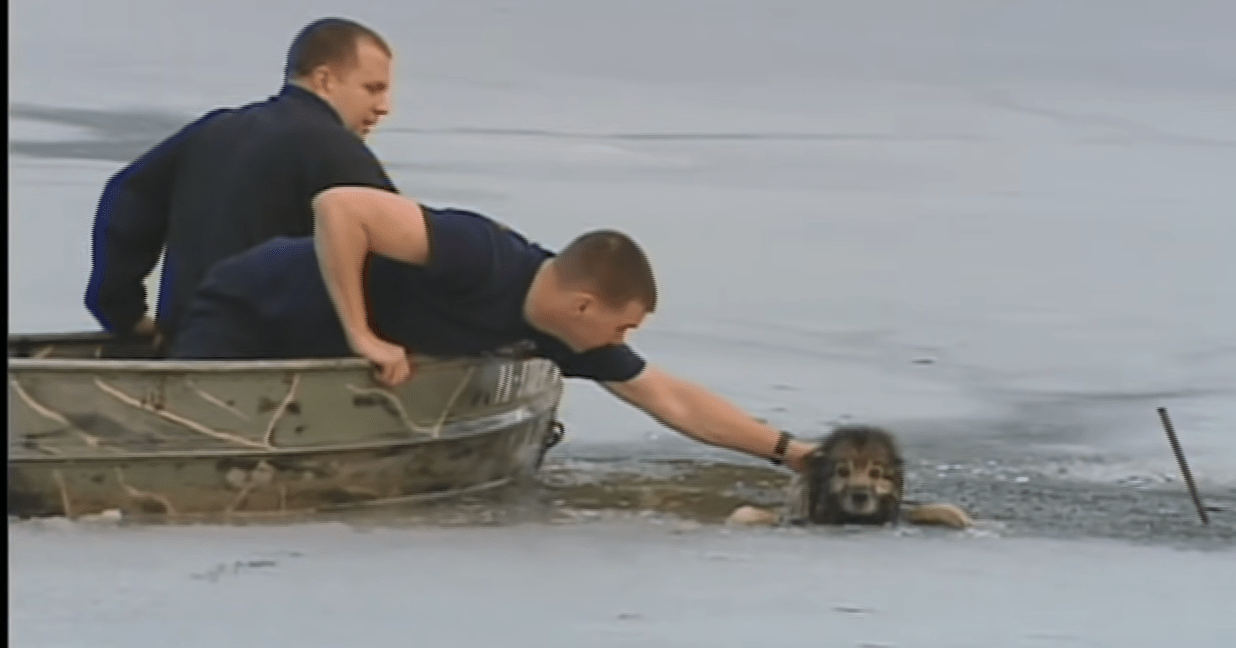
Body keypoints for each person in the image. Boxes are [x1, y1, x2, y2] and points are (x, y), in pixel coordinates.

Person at [169, 185, 818, 471]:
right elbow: (339, 207)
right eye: (623, 327)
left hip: (314, 355)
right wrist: (363, 333)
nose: (624, 343)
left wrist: (788, 451)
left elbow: (669, 398)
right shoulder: (481, 253)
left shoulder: (563, 336)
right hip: (249, 302)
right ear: (585, 305)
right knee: (184, 430)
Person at [84, 17, 399, 345]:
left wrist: (123, 313)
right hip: (278, 353)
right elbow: (403, 249)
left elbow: (127, 196)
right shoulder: (335, 150)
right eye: (372, 89)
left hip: (188, 342)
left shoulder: (213, 130)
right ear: (325, 80)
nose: (383, 108)